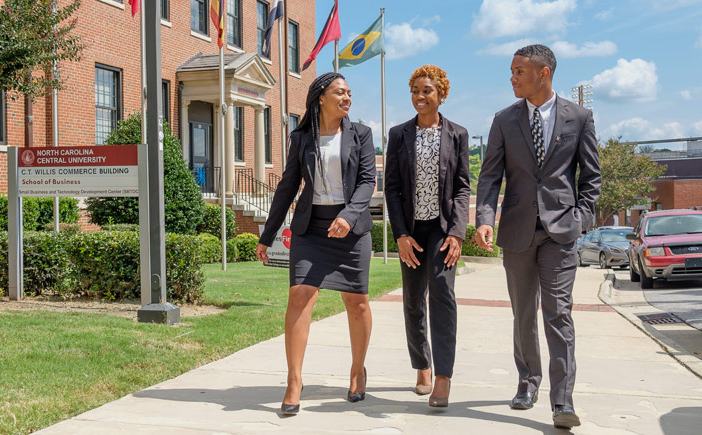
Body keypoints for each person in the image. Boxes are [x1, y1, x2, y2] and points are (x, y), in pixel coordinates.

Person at [474, 44, 601, 429]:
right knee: (523, 312)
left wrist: (581, 217)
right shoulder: (503, 120)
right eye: (511, 71)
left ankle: (562, 401)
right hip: (517, 230)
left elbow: (591, 178)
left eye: (519, 71)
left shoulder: (579, 117)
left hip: (561, 232)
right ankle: (527, 381)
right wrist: (484, 217)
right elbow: (490, 175)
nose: (512, 78)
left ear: (543, 73)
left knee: (558, 313)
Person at [256, 72, 376, 415]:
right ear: (321, 97)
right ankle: (294, 381)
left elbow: (368, 182)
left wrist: (349, 216)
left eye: (350, 92)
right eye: (340, 92)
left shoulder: (362, 134)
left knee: (357, 303)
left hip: (351, 229)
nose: (347, 97)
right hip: (311, 228)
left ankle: (357, 370)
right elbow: (287, 186)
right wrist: (268, 235)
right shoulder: (302, 138)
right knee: (300, 295)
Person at [385, 65, 470, 408]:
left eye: (427, 91)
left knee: (443, 294)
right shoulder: (398, 134)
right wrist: (401, 235)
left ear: (441, 94)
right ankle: (421, 363)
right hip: (411, 229)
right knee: (412, 298)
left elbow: (463, 187)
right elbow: (390, 188)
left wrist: (457, 232)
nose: (420, 97)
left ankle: (443, 376)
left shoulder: (458, 134)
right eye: (415, 90)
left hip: (441, 227)